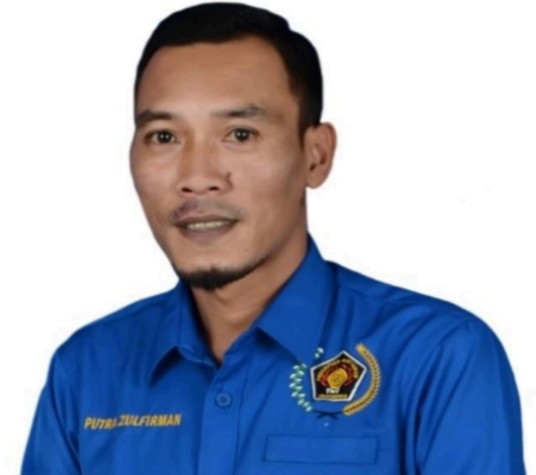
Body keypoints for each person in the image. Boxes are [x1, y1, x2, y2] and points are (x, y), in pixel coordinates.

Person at [21, 3, 525, 474]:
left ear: (316, 155)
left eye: (240, 134)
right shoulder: (86, 369)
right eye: (164, 137)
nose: (197, 177)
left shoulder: (435, 356)